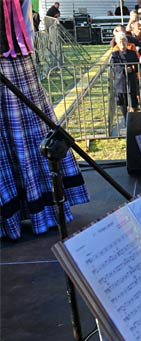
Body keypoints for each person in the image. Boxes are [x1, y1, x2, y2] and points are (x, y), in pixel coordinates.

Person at [1, 0, 89, 239]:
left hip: (15, 59)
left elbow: (25, 19)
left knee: (27, 131)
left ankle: (41, 206)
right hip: (13, 57)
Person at [111, 32, 140, 120]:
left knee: (133, 102)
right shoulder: (114, 55)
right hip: (120, 82)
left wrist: (132, 69)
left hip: (131, 81)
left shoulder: (132, 53)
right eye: (120, 42)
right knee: (122, 103)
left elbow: (137, 65)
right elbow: (114, 67)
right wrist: (124, 70)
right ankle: (125, 119)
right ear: (117, 43)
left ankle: (133, 120)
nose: (122, 43)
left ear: (126, 42)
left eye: (123, 41)